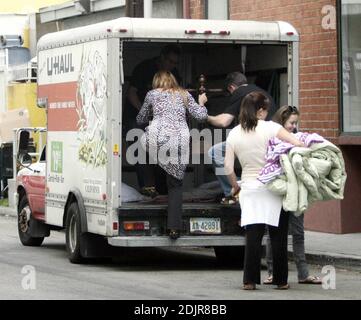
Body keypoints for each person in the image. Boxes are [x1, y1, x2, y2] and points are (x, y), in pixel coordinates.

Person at [224, 91, 304, 290]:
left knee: (253, 235)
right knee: (278, 234)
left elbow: (227, 167)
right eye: (266, 110)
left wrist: (235, 186)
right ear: (260, 111)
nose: (267, 114)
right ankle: (281, 280)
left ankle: (249, 280)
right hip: (273, 185)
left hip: (249, 187)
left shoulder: (234, 133)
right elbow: (298, 144)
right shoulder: (271, 128)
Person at [136, 71, 208, 240]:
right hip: (179, 141)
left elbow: (140, 119)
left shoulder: (152, 94)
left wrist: (152, 115)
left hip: (157, 137)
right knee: (175, 185)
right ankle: (174, 229)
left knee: (141, 142)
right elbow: (201, 116)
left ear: (156, 82)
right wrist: (202, 102)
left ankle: (148, 184)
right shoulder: (184, 94)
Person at [263, 105, 322, 285]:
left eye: (296, 123)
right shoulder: (272, 138)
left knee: (298, 232)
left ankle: (303, 274)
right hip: (279, 191)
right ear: (282, 121)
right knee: (274, 234)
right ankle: (272, 272)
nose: (294, 127)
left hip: (296, 191)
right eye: (291, 123)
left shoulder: (298, 138)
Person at [207, 72, 276, 204]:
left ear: (232, 88)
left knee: (215, 153)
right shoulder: (261, 92)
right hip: (269, 142)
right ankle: (245, 186)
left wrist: (204, 116)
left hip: (255, 139)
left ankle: (234, 192)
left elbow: (223, 121)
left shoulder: (240, 93)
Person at [125, 44, 182, 197]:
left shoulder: (173, 73)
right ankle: (147, 188)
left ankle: (162, 190)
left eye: (175, 63)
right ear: (162, 57)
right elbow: (132, 94)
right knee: (140, 150)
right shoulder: (144, 68)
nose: (172, 66)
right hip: (137, 115)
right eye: (170, 61)